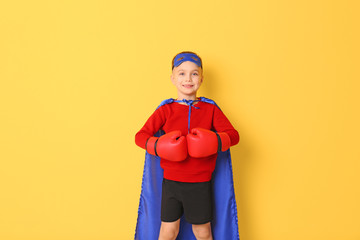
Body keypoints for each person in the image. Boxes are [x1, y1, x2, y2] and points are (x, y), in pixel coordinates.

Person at [135, 51, 240, 240]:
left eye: (194, 73)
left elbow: (234, 136)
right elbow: (140, 136)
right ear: (173, 78)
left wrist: (214, 141)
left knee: (203, 232)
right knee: (168, 232)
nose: (188, 79)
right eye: (181, 73)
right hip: (171, 184)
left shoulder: (211, 109)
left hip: (200, 184)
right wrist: (159, 145)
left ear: (201, 78)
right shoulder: (165, 110)